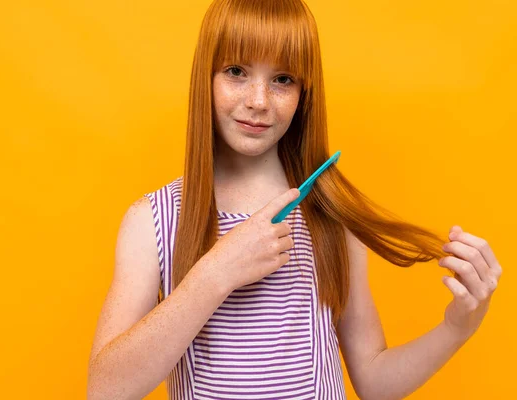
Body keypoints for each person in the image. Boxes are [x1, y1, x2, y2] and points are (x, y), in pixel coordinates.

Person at [87, 0, 502, 399]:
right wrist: (214, 273)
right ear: (205, 77)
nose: (258, 101)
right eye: (236, 71)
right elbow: (104, 390)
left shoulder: (329, 214)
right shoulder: (153, 220)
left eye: (282, 79)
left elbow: (375, 381)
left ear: (305, 91)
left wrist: (457, 326)